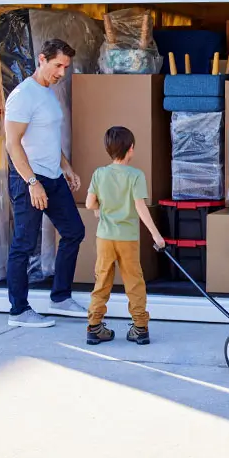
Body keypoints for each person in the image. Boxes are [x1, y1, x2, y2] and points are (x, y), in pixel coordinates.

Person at [5, 38, 86, 328]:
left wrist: (66, 167)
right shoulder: (23, 95)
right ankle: (19, 311)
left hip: (53, 177)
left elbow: (49, 139)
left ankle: (60, 298)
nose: (62, 72)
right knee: (24, 245)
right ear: (41, 59)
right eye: (57, 66)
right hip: (29, 178)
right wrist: (31, 182)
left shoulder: (48, 93)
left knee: (74, 231)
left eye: (65, 66)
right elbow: (13, 144)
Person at [85, 126, 165, 346]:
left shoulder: (99, 174)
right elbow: (140, 207)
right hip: (128, 239)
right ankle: (140, 328)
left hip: (105, 238)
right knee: (134, 282)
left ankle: (94, 327)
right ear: (131, 149)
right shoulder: (136, 175)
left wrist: (98, 209)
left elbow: (90, 202)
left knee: (102, 280)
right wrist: (156, 235)